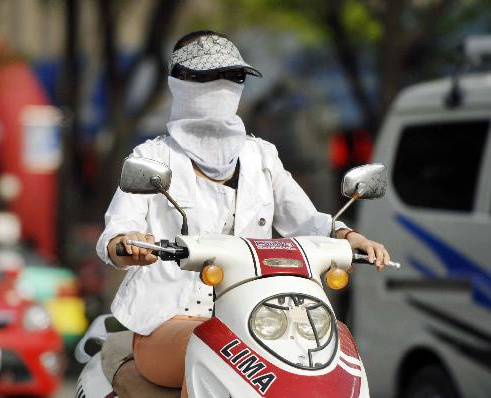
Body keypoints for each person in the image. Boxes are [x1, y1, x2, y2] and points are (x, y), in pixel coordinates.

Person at [96, 30, 390, 397]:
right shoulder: (153, 157)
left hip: (260, 316)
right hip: (170, 319)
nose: (220, 85)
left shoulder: (262, 156)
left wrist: (347, 236)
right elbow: (116, 232)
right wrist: (127, 244)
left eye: (232, 76)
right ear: (179, 82)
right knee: (214, 349)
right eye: (205, 76)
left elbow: (307, 220)